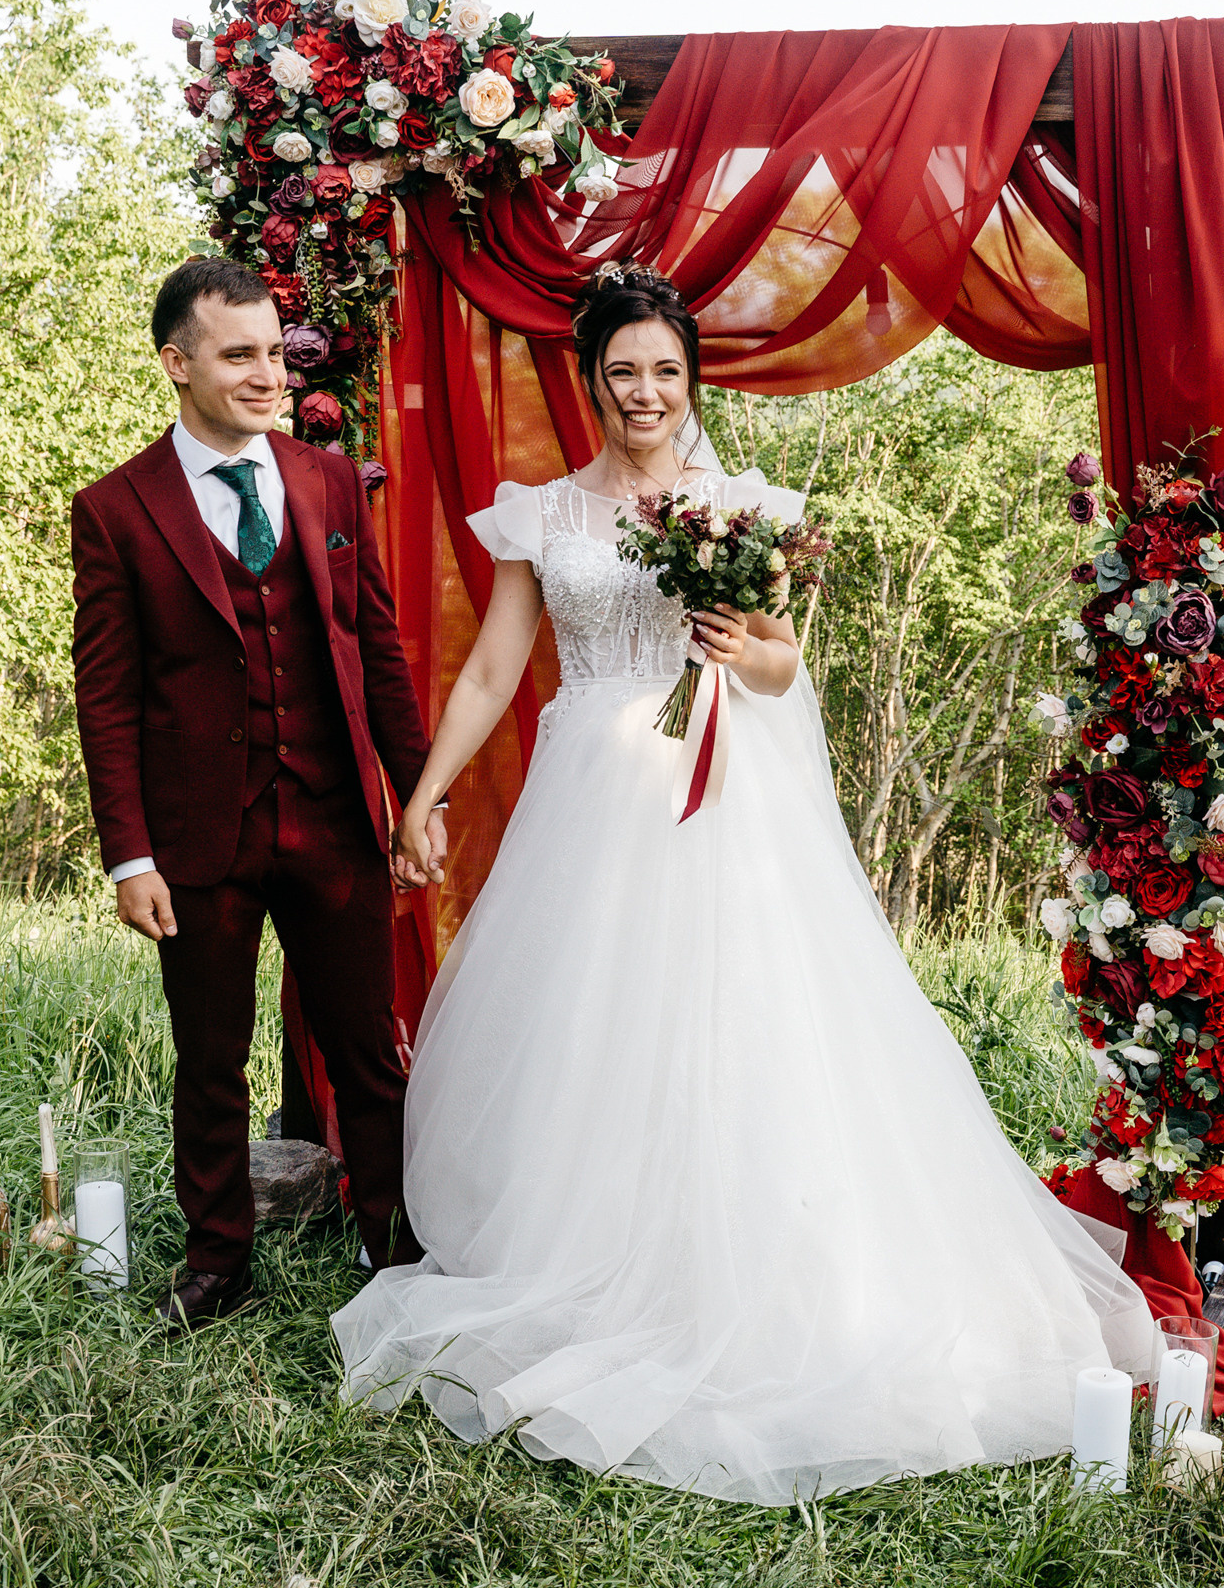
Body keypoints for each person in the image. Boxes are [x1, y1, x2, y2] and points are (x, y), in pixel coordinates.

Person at [330, 265, 1155, 1505]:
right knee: (594, 1030)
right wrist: (430, 789)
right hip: (590, 799)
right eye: (622, 373)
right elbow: (498, 667)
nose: (644, 392)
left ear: (691, 377)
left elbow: (782, 667)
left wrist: (739, 648)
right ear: (593, 382)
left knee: (745, 1019)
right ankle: (595, 1251)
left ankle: (766, 1263)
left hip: (722, 803)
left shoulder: (747, 507)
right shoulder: (542, 514)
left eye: (665, 370)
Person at [70, 258, 444, 1328]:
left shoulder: (329, 482)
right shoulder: (117, 510)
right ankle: (219, 1262)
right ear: (176, 364)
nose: (267, 373)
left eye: (275, 352)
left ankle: (392, 1243)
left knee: (368, 1046)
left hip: (332, 816)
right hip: (200, 837)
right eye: (240, 355)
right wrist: (128, 855)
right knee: (211, 1059)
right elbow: (108, 695)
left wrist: (416, 794)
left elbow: (376, 648)